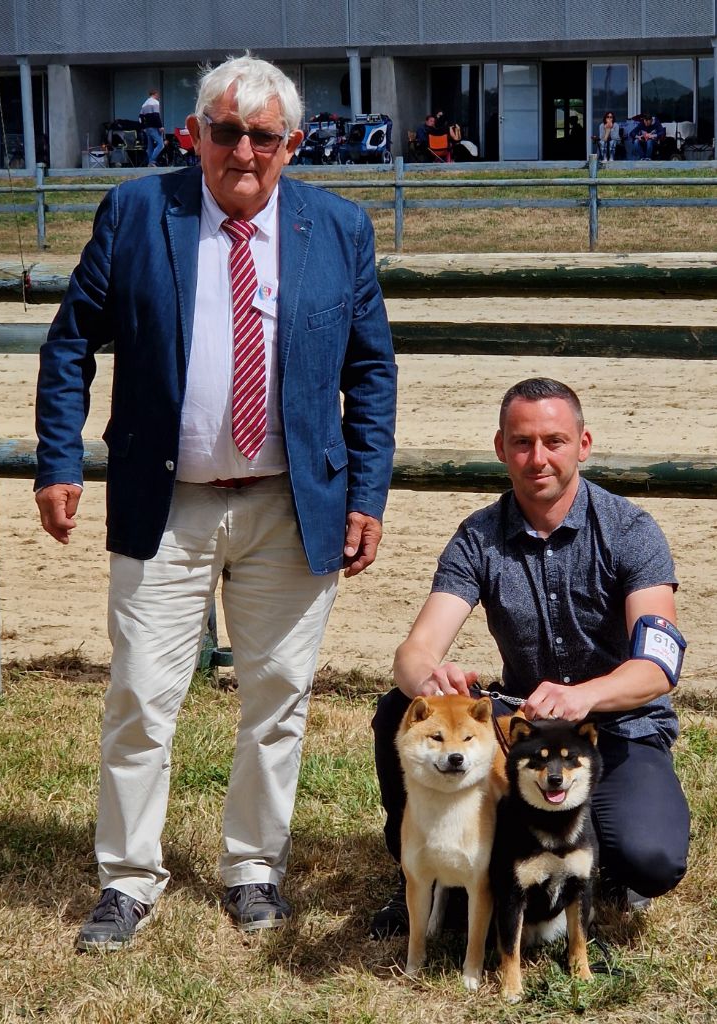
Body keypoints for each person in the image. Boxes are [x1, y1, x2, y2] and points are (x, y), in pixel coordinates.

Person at [35, 53, 397, 950]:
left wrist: (364, 492)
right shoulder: (135, 212)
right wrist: (59, 462)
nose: (243, 150)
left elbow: (370, 371)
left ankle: (253, 867)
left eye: (263, 136)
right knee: (141, 697)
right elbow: (71, 342)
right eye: (225, 131)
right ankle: (127, 878)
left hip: (290, 502)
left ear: (293, 145)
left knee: (278, 696)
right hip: (168, 503)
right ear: (192, 134)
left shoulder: (340, 228)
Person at [370, 378, 689, 938]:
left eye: (554, 441)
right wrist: (431, 675)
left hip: (618, 729)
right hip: (524, 731)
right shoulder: (478, 537)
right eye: (522, 443)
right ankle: (420, 877)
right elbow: (414, 651)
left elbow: (657, 668)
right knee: (401, 705)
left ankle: (601, 864)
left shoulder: (631, 531)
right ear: (500, 447)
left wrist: (583, 696)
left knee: (651, 858)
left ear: (583, 445)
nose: (537, 458)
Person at [139, 88, 165, 166]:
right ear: (155, 94)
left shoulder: (144, 104)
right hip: (154, 127)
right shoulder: (155, 103)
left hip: (147, 128)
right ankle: (152, 161)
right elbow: (156, 115)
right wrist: (160, 126)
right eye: (158, 95)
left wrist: (143, 127)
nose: (158, 96)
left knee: (150, 147)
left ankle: (150, 163)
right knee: (161, 145)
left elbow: (140, 117)